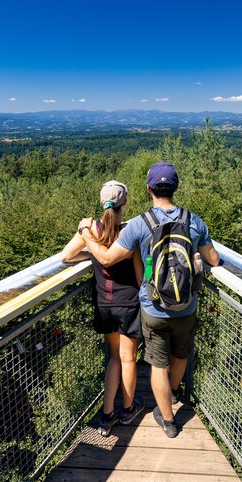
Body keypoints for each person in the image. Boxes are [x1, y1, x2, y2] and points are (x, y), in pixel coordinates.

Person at [78, 162, 219, 438]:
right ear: (176, 188)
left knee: (157, 364)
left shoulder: (140, 224)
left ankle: (168, 420)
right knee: (180, 354)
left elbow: (106, 258)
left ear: (148, 190)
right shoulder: (193, 220)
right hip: (186, 305)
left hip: (153, 307)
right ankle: (175, 391)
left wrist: (85, 233)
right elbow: (213, 258)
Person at [60, 180, 145, 437]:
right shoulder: (130, 231)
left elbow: (66, 256)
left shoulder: (91, 228)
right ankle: (128, 409)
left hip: (104, 304)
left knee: (114, 359)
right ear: (125, 204)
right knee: (129, 358)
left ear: (101, 203)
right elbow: (140, 277)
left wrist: (92, 250)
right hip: (129, 303)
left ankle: (106, 416)